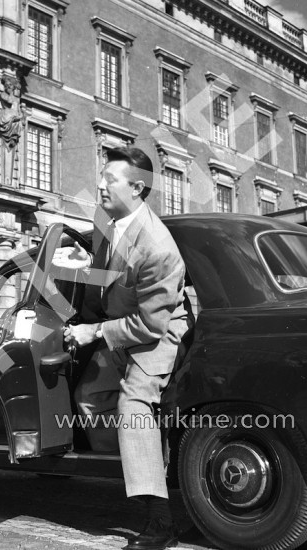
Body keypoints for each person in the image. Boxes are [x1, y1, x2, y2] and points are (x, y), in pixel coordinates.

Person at [53, 147, 192, 550]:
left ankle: (160, 521)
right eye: (101, 175)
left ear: (137, 187)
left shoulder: (158, 248)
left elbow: (152, 323)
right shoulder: (108, 220)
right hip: (121, 325)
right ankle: (147, 464)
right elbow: (112, 274)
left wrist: (93, 331)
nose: (99, 184)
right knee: (90, 396)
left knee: (132, 407)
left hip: (158, 333)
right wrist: (75, 265)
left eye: (109, 179)